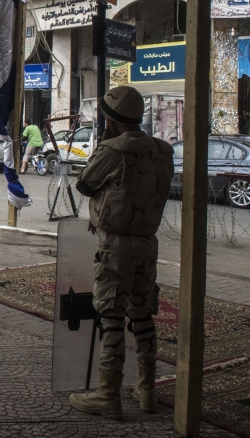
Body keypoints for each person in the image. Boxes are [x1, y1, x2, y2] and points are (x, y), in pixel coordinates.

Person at [68, 85, 174, 420]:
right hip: (147, 243)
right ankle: (147, 389)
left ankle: (108, 394)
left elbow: (85, 183)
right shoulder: (162, 150)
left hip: (116, 245)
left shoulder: (113, 149)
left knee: (111, 315)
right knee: (142, 315)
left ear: (112, 119)